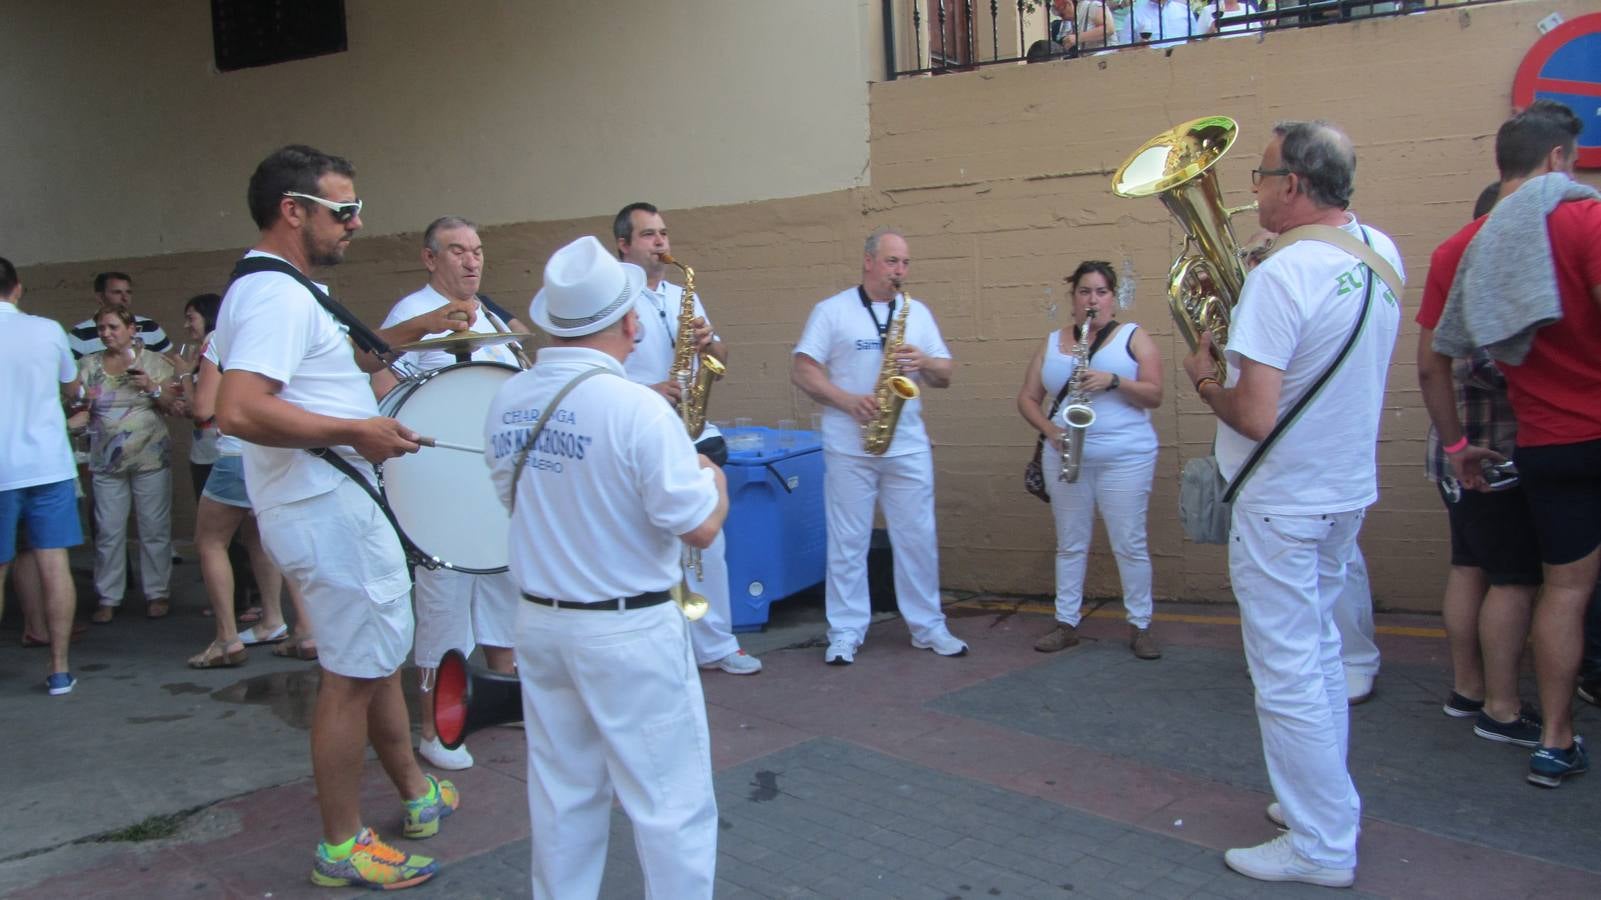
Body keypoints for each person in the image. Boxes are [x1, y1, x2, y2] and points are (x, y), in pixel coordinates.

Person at [213, 145, 472, 889]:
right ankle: (341, 843)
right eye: (345, 210)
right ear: (294, 211)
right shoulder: (275, 296)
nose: (356, 224)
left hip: (334, 505)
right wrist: (358, 432)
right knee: (350, 677)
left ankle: (415, 795)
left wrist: (418, 330)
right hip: (326, 508)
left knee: (371, 659)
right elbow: (239, 409)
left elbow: (329, 374)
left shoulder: (288, 289)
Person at [1182, 120, 1403, 886]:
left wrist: (1203, 377)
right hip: (1341, 493)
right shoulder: (1377, 248)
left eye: (1260, 174)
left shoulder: (1282, 278)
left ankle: (1318, 845)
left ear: (1294, 186)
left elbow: (1251, 415)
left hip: (1281, 501)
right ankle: (1318, 805)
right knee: (1320, 659)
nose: (1250, 188)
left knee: (1284, 673)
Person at [484, 235, 728, 898]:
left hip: (539, 623)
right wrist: (713, 474)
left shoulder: (507, 399)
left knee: (563, 800)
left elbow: (513, 499)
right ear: (628, 321)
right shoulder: (635, 407)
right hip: (628, 629)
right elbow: (699, 526)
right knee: (669, 804)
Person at [1429, 100, 1601, 788]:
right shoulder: (1583, 217)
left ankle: (1554, 739)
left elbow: (1428, 364)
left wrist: (1453, 445)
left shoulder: (1460, 247)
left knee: (1560, 591)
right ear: (1558, 159)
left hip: (1542, 445)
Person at [376, 215, 524, 770]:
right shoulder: (409, 316)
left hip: (490, 483)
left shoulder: (490, 316)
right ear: (430, 258)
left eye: (478, 251)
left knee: (504, 586)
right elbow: (383, 385)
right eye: (458, 251)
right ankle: (437, 729)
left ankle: (503, 698)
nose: (471, 261)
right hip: (438, 484)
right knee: (443, 604)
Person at [791, 227, 966, 665]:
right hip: (850, 444)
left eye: (905, 263)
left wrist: (924, 362)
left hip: (906, 444)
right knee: (848, 541)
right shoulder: (832, 311)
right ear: (868, 261)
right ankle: (846, 632)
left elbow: (945, 374)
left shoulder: (916, 312)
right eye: (892, 262)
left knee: (917, 538)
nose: (900, 271)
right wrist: (847, 401)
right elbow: (802, 370)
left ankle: (928, 627)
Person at [1415, 178, 1542, 747]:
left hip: (1454, 453)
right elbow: (1489, 369)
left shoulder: (1453, 275)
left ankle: (1469, 690)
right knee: (1512, 580)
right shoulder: (1486, 278)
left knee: (1469, 567)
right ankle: (1503, 707)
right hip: (1489, 454)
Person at [613, 201, 760, 676]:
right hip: (639, 434)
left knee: (707, 545)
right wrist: (650, 389)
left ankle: (715, 644)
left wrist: (708, 342)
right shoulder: (613, 297)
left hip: (690, 431)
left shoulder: (684, 295)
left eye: (663, 234)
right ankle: (662, 647)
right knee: (649, 548)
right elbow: (598, 373)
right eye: (648, 235)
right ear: (624, 245)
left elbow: (721, 355)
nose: (661, 243)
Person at [1016, 260, 1163, 659]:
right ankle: (1066, 623)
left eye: (1100, 292)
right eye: (1085, 292)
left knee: (1129, 542)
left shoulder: (1133, 337)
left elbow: (1154, 393)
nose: (1092, 300)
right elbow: (1027, 399)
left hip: (1125, 456)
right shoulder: (1052, 342)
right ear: (1074, 298)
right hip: (1065, 453)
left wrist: (1112, 380)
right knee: (1070, 542)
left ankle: (1140, 624)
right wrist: (1051, 433)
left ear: (1113, 299)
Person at [185, 327, 305, 668]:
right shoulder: (282, 333)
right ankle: (292, 625)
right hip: (279, 451)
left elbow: (203, 409)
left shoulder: (221, 338)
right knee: (263, 537)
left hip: (238, 453)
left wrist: (186, 376)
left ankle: (227, 639)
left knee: (210, 541)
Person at [0, 256, 85, 695]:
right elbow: (72, 387)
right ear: (17, 288)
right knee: (55, 564)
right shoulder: (47, 329)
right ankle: (59, 668)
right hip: (48, 464)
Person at [79, 306, 181, 623]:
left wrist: (151, 386)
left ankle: (157, 593)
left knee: (154, 528)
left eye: (113, 327)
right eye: (102, 329)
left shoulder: (154, 362)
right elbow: (79, 406)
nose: (107, 334)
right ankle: (109, 596)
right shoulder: (88, 365)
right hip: (105, 459)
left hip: (150, 456)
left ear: (132, 329)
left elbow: (174, 406)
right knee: (108, 530)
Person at [68, 271, 172, 360]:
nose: (125, 298)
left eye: (128, 292)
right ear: (100, 296)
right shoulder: (80, 334)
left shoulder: (150, 326)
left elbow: (171, 364)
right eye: (117, 292)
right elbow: (70, 376)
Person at [1131, 0, 1203, 46]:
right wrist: (1138, 48)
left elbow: (1195, 41)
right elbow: (1123, 49)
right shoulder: (1135, 15)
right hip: (1150, 63)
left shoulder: (1185, 10)